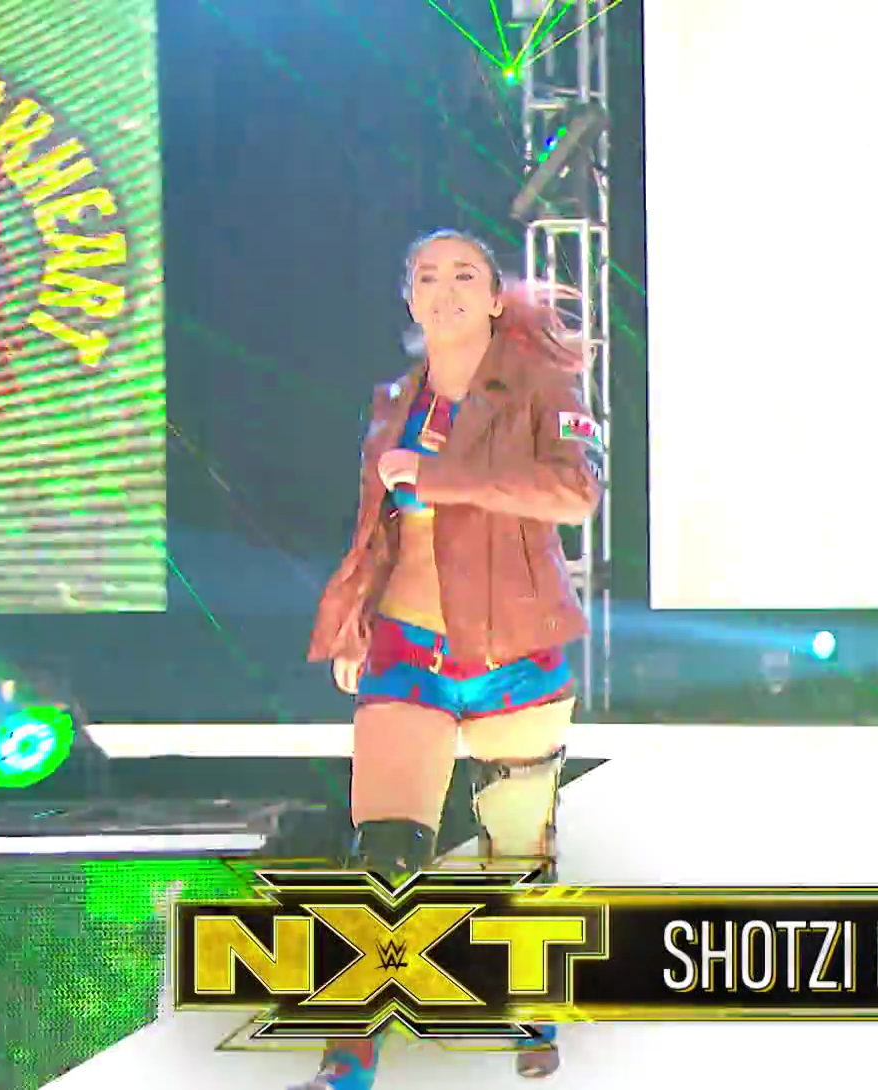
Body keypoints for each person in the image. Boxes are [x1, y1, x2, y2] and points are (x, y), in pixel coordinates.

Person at [300, 228, 605, 1088]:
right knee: (382, 856)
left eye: (465, 274)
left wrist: (440, 480)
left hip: (516, 649)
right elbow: (378, 529)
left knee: (517, 857)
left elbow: (575, 492)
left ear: (496, 296)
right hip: (406, 646)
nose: (446, 289)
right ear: (409, 298)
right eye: (427, 276)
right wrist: (353, 618)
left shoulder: (541, 386)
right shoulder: (393, 401)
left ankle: (531, 1002)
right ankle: (348, 1056)